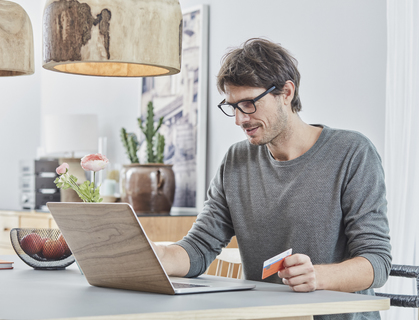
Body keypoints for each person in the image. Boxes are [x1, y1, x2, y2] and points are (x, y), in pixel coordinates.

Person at [154, 38, 391, 320]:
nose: (240, 119)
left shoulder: (352, 153)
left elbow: (377, 262)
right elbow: (200, 247)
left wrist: (317, 276)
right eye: (232, 106)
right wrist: (156, 257)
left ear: (286, 92)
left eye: (249, 104)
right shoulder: (236, 160)